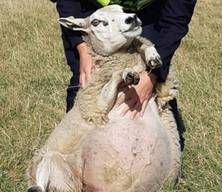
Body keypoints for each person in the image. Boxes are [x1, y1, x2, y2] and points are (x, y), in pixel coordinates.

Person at [52, 0, 197, 151]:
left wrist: (152, 76)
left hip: (148, 16)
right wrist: (82, 47)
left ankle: (149, 152)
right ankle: (76, 154)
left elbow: (177, 17)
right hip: (95, 20)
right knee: (87, 88)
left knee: (155, 93)